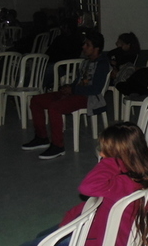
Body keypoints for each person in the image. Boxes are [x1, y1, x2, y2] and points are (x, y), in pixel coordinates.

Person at [14, 122, 148, 246]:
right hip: (111, 234)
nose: (101, 154)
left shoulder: (122, 183)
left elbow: (87, 187)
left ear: (119, 156)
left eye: (105, 151)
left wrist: (110, 162)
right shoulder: (147, 169)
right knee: (41, 237)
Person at [22, 30, 110, 159]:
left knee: (55, 107)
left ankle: (58, 146)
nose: (83, 47)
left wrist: (73, 90)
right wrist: (68, 87)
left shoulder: (102, 64)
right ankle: (41, 137)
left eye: (87, 45)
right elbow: (78, 81)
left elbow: (95, 89)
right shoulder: (85, 62)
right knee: (36, 100)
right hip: (76, 93)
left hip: (89, 98)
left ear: (96, 48)